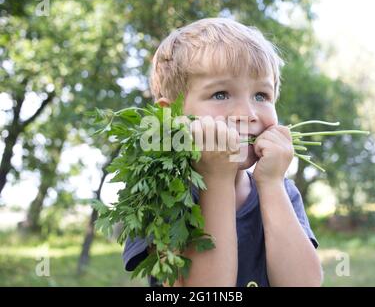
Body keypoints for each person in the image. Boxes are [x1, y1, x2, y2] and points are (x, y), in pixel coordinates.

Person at [123, 17, 323, 287]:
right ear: (170, 115)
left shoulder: (281, 190)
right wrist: (216, 179)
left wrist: (272, 184)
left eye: (261, 96)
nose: (248, 114)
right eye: (220, 94)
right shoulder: (157, 195)